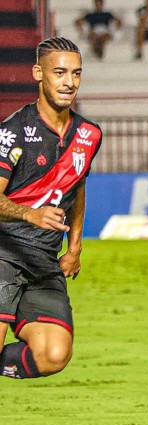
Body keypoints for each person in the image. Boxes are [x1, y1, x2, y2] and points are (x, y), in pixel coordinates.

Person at [0, 37, 102, 380]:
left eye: (76, 73)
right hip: (3, 254)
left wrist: (75, 247)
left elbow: (78, 187)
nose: (69, 82)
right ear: (38, 74)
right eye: (59, 72)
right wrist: (28, 213)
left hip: (43, 262)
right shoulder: (13, 132)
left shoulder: (88, 134)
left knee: (54, 355)